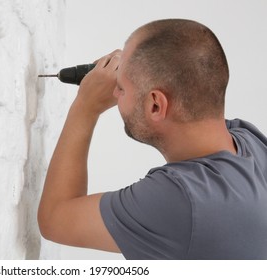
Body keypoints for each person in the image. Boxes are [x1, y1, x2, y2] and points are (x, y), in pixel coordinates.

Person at [37, 18, 267, 259]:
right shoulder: (250, 141)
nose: (113, 92)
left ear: (156, 104)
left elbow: (56, 218)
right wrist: (132, 71)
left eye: (121, 88)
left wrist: (86, 106)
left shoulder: (183, 199)